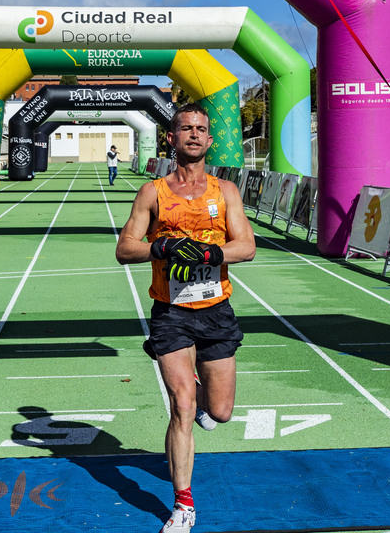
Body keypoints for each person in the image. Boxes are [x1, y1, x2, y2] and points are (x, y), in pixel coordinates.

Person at [115, 104, 256, 533]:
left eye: (201, 129)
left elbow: (246, 247)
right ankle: (182, 505)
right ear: (171, 138)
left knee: (221, 412)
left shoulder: (225, 191)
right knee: (181, 405)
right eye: (185, 128)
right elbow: (124, 249)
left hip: (216, 311)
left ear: (209, 140)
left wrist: (212, 253)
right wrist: (164, 249)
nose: (194, 134)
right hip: (171, 313)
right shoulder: (152, 192)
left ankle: (198, 389)